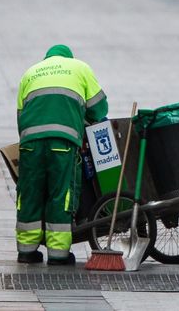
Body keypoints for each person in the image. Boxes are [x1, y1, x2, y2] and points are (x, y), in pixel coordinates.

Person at [15, 44, 108, 266]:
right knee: (61, 193)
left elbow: (21, 114)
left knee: (29, 193)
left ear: (47, 59)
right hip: (62, 143)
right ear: (68, 58)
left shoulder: (30, 72)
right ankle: (58, 254)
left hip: (30, 144)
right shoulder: (80, 68)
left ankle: (26, 251)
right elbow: (99, 108)